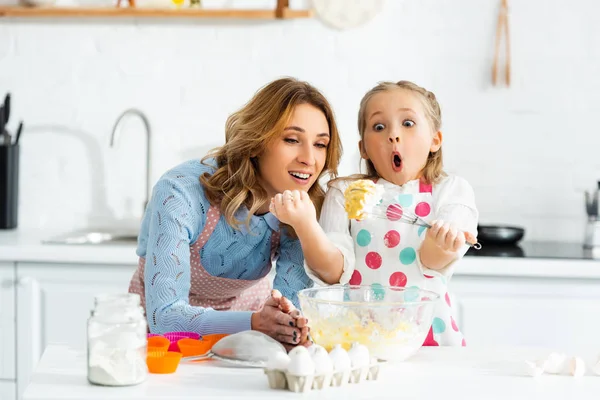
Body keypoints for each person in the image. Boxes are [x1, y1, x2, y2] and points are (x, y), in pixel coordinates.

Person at [128, 77, 343, 349]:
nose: (309, 159)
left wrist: (291, 327)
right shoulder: (180, 192)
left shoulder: (301, 211)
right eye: (292, 139)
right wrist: (254, 322)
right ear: (257, 141)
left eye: (320, 144)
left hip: (249, 340)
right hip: (165, 344)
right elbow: (165, 317)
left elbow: (291, 310)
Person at [270, 80, 478, 346]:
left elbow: (433, 260)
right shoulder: (344, 192)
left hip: (427, 337)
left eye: (408, 123)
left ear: (435, 139)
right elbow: (332, 272)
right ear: (363, 148)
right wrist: (305, 224)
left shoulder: (450, 190)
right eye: (379, 127)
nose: (393, 135)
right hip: (359, 337)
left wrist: (443, 242)